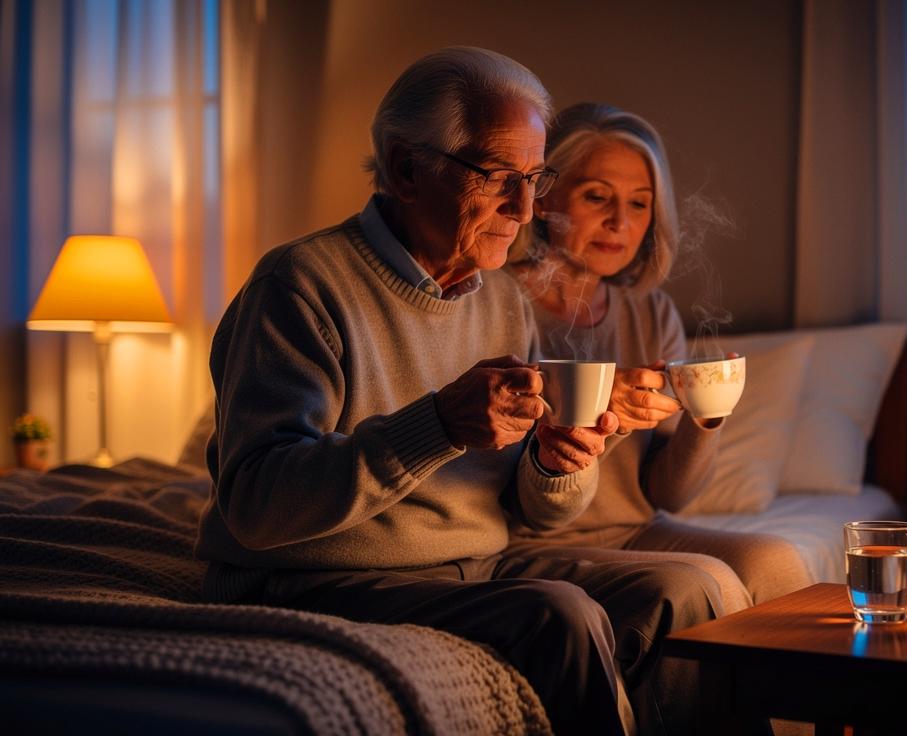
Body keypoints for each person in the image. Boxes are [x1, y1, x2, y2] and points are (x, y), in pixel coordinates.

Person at [194, 49, 726, 736]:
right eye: (500, 176)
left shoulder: (499, 297)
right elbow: (256, 507)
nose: (527, 207)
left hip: (477, 560)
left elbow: (535, 516)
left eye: (536, 179)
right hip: (317, 574)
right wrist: (438, 425)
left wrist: (558, 463)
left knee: (690, 588)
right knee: (560, 615)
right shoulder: (300, 285)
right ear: (407, 167)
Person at [505, 102, 809, 610]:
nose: (619, 221)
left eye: (640, 204)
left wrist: (705, 417)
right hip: (530, 541)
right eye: (596, 196)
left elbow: (669, 496)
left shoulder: (650, 312)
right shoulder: (496, 302)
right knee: (707, 582)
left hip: (638, 530)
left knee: (775, 560)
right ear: (543, 197)